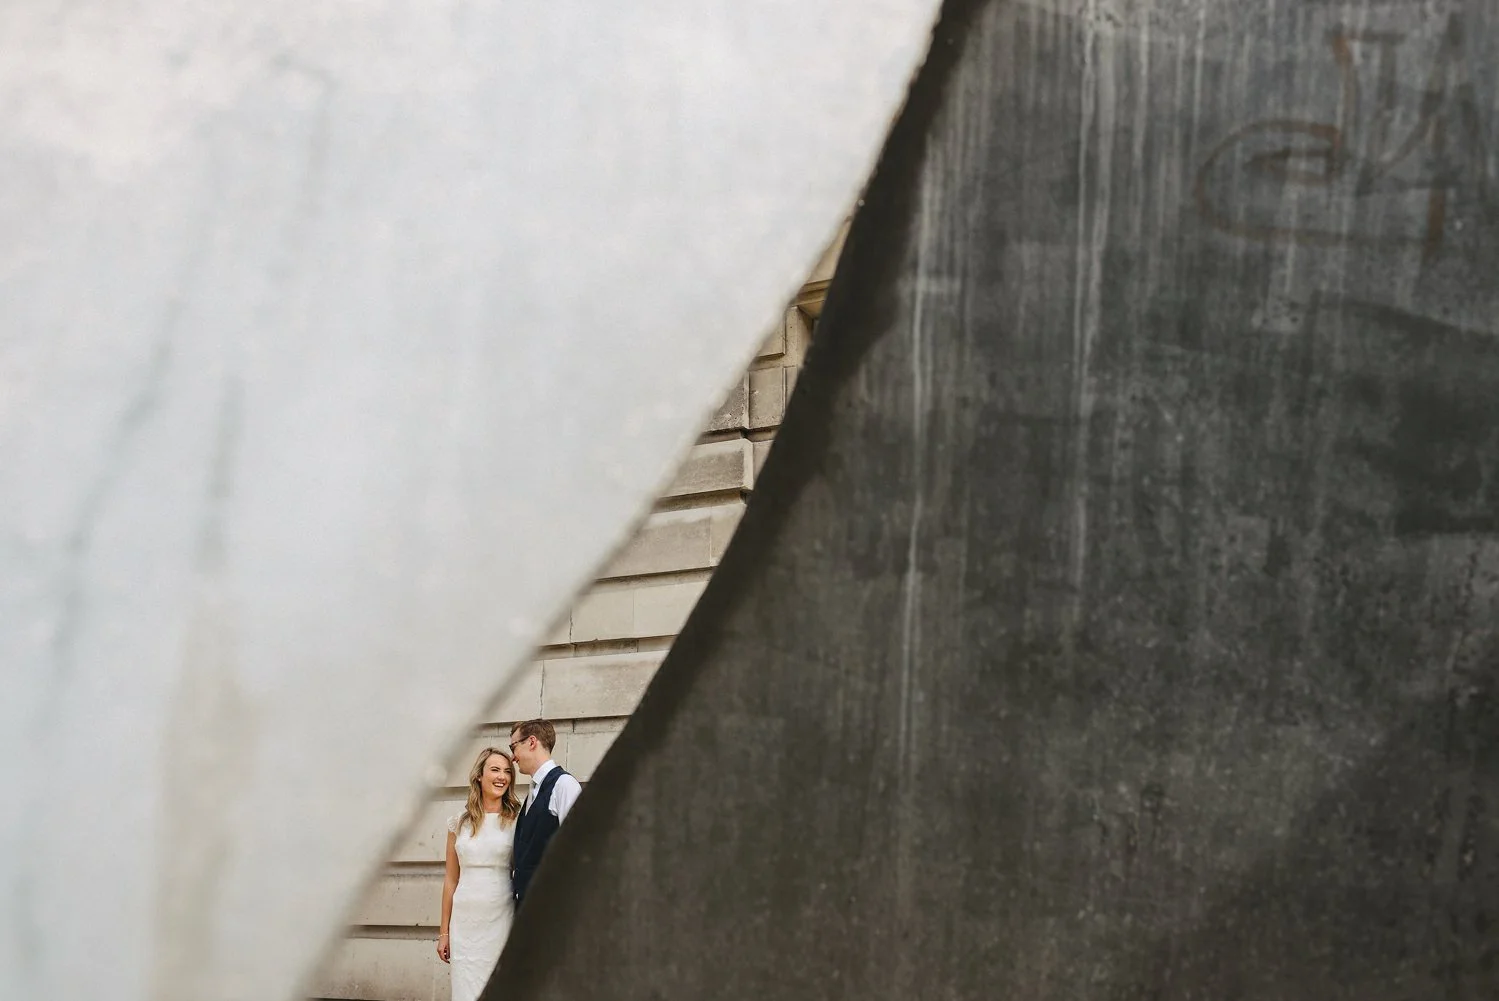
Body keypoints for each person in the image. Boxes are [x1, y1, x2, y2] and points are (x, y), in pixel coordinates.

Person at [437, 747, 523, 1001]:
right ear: (479, 776)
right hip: (465, 921)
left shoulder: (518, 820)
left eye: (507, 771)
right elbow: (451, 880)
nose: (502, 777)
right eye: (495, 769)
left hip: (501, 915)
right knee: (466, 990)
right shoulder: (458, 823)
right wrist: (444, 933)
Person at [507, 719, 583, 906]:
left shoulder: (564, 785)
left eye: (513, 746)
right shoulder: (533, 790)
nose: (512, 757)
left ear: (532, 742)